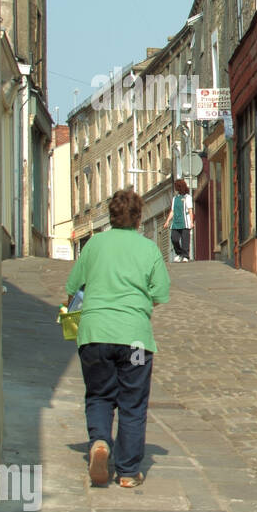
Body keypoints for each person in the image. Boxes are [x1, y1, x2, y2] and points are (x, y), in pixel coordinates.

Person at [66, 189, 170, 488]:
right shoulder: (148, 249)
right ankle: (127, 471)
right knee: (133, 402)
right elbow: (161, 292)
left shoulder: (95, 244)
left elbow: (73, 286)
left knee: (99, 394)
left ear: (111, 216)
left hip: (94, 336)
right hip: (135, 341)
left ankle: (100, 442)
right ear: (139, 218)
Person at [163, 178, 194, 262]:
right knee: (174, 239)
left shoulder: (187, 197)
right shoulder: (175, 198)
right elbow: (172, 211)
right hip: (176, 223)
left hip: (185, 222)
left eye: (176, 186)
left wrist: (191, 221)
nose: (175, 188)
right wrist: (167, 221)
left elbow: (190, 210)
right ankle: (179, 253)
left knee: (185, 240)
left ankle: (185, 256)